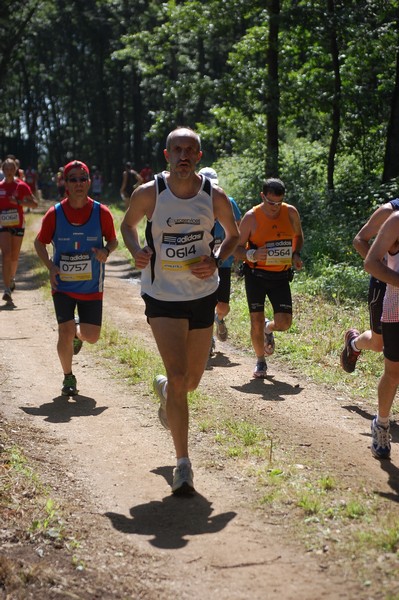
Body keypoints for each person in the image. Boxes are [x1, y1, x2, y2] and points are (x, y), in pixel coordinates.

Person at [121, 127, 239, 495]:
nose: (183, 155)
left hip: (202, 295)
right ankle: (183, 464)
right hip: (162, 296)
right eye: (177, 150)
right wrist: (136, 250)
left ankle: (166, 390)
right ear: (166, 155)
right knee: (177, 375)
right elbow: (127, 225)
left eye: (190, 150)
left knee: (190, 382)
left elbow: (233, 234)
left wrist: (217, 258)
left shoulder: (213, 195)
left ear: (199, 156)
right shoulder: (150, 193)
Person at [34, 160, 118, 397]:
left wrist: (106, 251)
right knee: (64, 330)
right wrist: (50, 266)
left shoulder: (102, 212)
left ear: (90, 182)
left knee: (91, 336)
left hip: (92, 285)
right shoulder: (55, 213)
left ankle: (78, 335)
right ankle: (68, 376)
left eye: (83, 178)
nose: (79, 183)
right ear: (66, 184)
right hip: (63, 285)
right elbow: (39, 242)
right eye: (73, 179)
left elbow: (113, 240)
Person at [235, 177, 304, 379]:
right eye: (270, 202)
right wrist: (252, 255)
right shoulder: (251, 217)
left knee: (284, 323)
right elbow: (235, 249)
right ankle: (260, 361)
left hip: (281, 276)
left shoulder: (290, 212)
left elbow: (298, 237)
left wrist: (296, 254)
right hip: (255, 275)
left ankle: (269, 327)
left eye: (279, 202)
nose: (275, 207)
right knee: (254, 320)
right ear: (262, 196)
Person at [340, 198, 399, 373]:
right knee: (378, 343)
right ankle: (354, 344)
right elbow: (359, 240)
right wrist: (383, 266)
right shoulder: (389, 212)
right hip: (384, 283)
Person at [364, 211, 399, 459]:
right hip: (397, 309)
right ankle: (382, 423)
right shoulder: (395, 221)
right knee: (394, 373)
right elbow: (371, 262)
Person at [198, 167, 241, 353]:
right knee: (203, 302)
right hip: (199, 259)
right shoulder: (193, 204)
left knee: (222, 306)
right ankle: (207, 340)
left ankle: (219, 319)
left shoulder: (228, 202)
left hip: (222, 260)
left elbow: (237, 231)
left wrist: (237, 255)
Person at [0, 157, 38, 305]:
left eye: (11, 168)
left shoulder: (21, 186)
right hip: (3, 224)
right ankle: (7, 289)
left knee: (14, 256)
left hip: (18, 224)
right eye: (6, 169)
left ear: (15, 170)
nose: (9, 171)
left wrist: (19, 202)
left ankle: (12, 278)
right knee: (6, 254)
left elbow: (34, 204)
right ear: (3, 170)